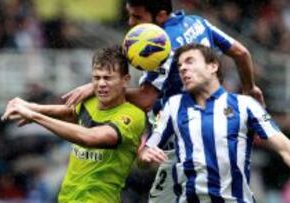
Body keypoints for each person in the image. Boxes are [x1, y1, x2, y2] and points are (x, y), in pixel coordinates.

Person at [62, 0, 263, 202]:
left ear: (160, 15)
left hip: (179, 141)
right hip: (205, 132)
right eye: (129, 15)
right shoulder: (197, 23)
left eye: (138, 17)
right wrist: (250, 88)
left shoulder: (162, 44)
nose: (131, 22)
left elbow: (145, 98)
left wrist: (99, 88)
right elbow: (241, 52)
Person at [139, 44, 290, 203]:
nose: (183, 68)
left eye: (190, 61)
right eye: (180, 65)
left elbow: (286, 148)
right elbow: (146, 154)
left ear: (212, 66)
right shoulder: (173, 106)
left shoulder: (245, 105)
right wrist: (144, 156)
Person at [1, 46, 146, 203]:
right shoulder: (90, 103)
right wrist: (34, 107)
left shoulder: (133, 116)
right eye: (96, 78)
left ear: (125, 80)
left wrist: (35, 116)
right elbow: (70, 112)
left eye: (108, 78)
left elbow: (90, 137)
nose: (101, 84)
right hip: (67, 198)